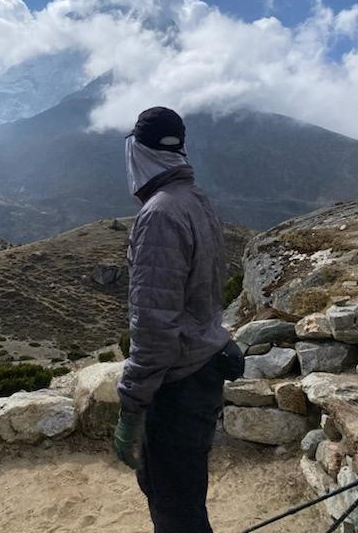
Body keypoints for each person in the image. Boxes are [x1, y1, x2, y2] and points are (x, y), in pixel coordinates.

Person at [113, 106, 245, 533]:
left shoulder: (159, 215)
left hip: (177, 384)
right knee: (185, 493)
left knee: (175, 508)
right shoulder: (195, 199)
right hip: (205, 369)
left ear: (138, 153)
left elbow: (154, 326)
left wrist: (132, 406)